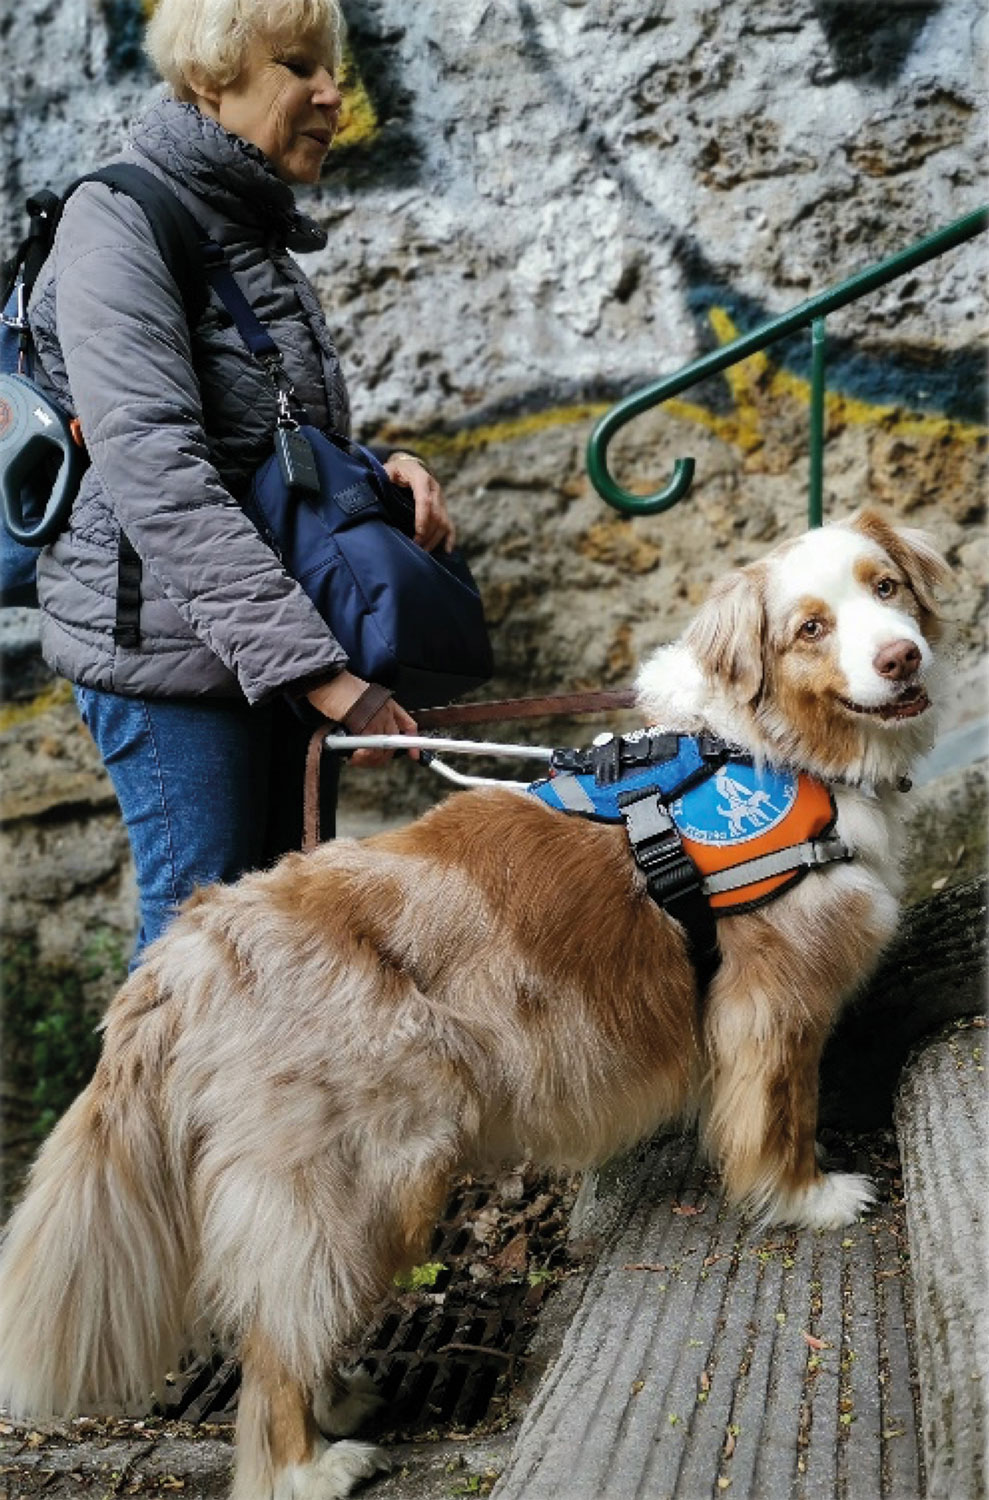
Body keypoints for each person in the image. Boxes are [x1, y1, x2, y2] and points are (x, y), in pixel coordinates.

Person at [27, 0, 454, 961]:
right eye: (297, 65)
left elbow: (267, 436)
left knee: (286, 947)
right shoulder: (121, 221)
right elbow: (155, 469)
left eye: (331, 68)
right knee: (196, 957)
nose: (331, 94)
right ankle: (143, 1122)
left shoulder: (243, 226)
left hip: (268, 646)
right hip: (174, 660)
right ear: (214, 76)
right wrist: (324, 677)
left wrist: (393, 468)